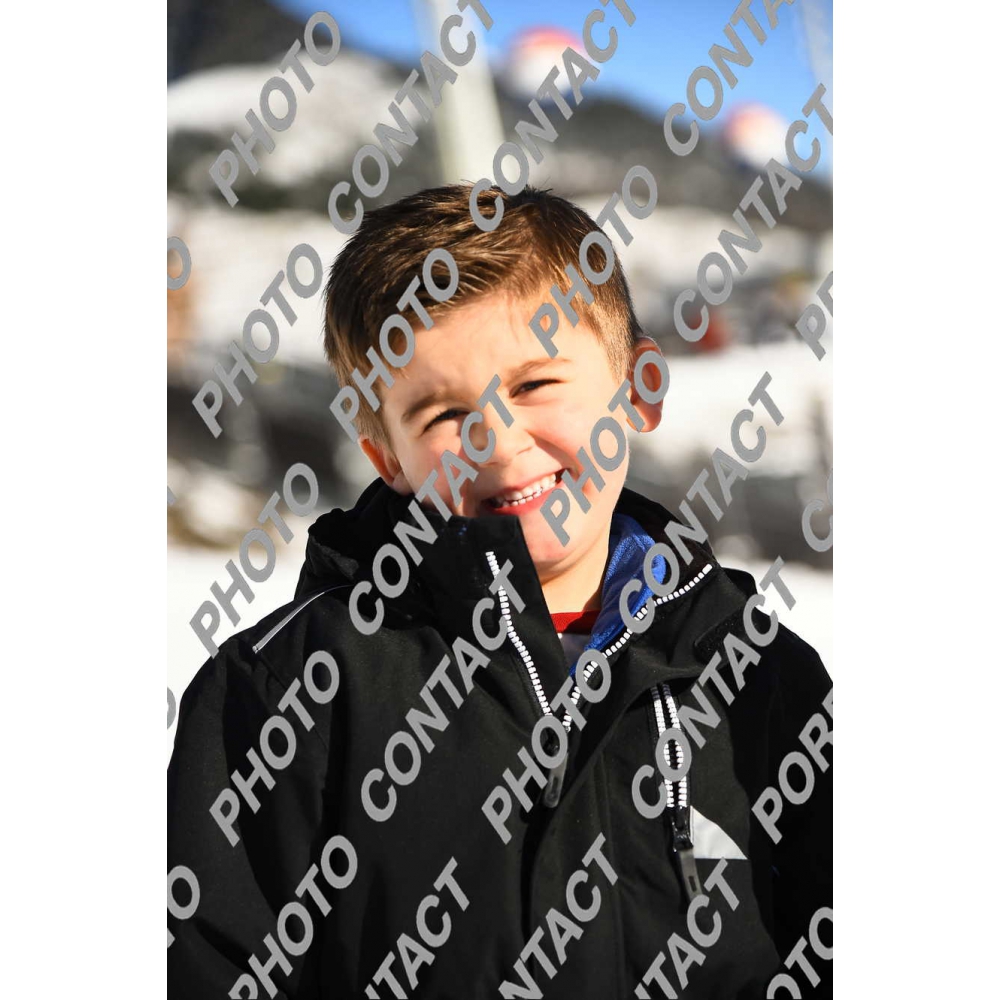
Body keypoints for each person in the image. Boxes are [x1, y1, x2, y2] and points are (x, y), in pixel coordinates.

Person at [168, 185, 832, 999]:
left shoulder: (763, 682)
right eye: (442, 413)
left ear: (638, 387)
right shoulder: (286, 692)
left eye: (535, 385)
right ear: (387, 457)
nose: (499, 442)